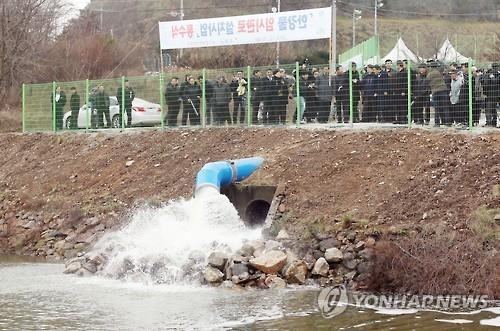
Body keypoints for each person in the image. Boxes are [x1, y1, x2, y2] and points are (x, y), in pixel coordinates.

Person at [427, 62, 449, 126]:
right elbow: (443, 66)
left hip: (435, 92)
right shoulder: (439, 72)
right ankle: (447, 122)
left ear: (431, 67)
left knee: (437, 108)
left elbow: (427, 82)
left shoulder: (430, 74)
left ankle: (437, 123)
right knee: (445, 107)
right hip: (443, 90)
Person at [481, 63, 499, 127]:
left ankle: (489, 123)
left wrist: (485, 93)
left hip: (490, 94)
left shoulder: (489, 74)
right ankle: (494, 123)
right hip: (497, 95)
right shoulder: (498, 74)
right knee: (494, 109)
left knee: (488, 109)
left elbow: (486, 85)